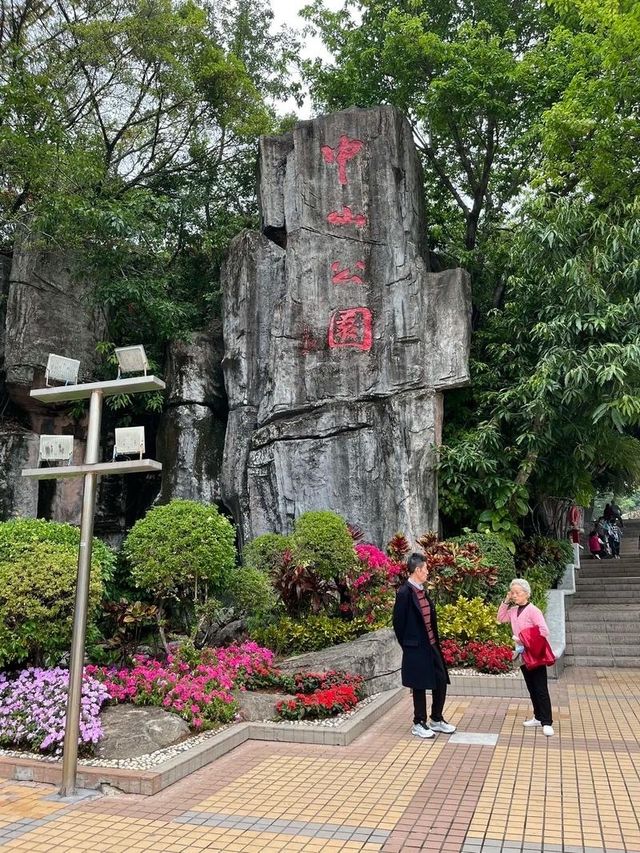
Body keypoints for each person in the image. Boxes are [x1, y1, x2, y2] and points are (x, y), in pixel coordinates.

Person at [392, 552, 456, 739]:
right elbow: (398, 623)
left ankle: (436, 719)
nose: (428, 572)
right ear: (418, 570)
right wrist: (408, 645)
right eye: (426, 569)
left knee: (441, 679)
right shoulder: (405, 592)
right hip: (415, 647)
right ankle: (419, 722)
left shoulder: (422, 590)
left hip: (431, 644)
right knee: (419, 685)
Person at [497, 579, 555, 736]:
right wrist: (506, 601)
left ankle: (547, 721)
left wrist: (523, 638)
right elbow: (500, 618)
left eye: (517, 593)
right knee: (531, 686)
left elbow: (544, 631)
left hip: (534, 653)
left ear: (526, 594)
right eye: (512, 592)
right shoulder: (514, 610)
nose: (514, 595)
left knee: (540, 687)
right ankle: (538, 717)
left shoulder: (533, 610)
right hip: (522, 653)